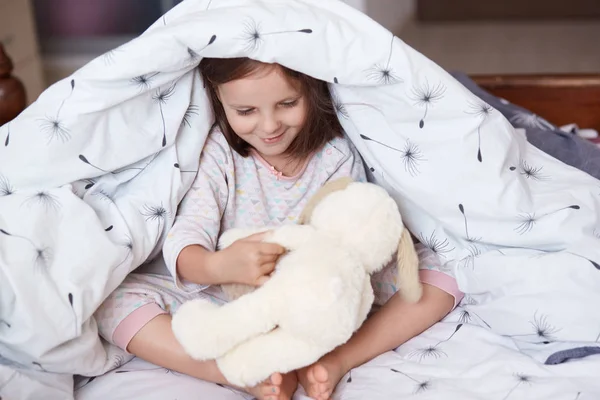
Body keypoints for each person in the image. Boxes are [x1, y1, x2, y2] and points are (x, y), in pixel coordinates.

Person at [95, 57, 462, 400]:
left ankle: (336, 360)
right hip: (234, 300)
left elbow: (347, 241)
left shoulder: (335, 154)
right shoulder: (218, 154)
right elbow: (187, 236)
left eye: (287, 104)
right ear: (218, 100)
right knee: (110, 298)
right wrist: (219, 266)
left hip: (322, 296)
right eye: (246, 111)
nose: (269, 126)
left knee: (442, 273)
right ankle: (238, 372)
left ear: (312, 91)